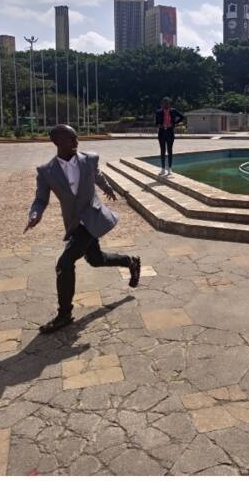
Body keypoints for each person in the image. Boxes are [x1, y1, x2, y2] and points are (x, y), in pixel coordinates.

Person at [26, 125, 141, 334]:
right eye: (72, 139)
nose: (77, 142)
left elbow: (96, 175)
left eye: (76, 138)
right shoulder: (46, 171)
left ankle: (64, 314)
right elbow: (40, 199)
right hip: (74, 222)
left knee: (64, 263)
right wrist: (35, 214)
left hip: (93, 216)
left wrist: (107, 188)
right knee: (96, 259)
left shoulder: (89, 159)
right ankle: (130, 261)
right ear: (58, 142)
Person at [154, 97, 186, 176]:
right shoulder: (158, 112)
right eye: (164, 103)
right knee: (162, 150)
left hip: (170, 132)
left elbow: (182, 117)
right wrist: (161, 125)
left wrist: (174, 123)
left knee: (170, 150)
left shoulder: (173, 111)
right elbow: (156, 123)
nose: (165, 104)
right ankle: (163, 169)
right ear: (162, 104)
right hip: (162, 132)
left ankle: (170, 169)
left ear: (169, 104)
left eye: (167, 103)